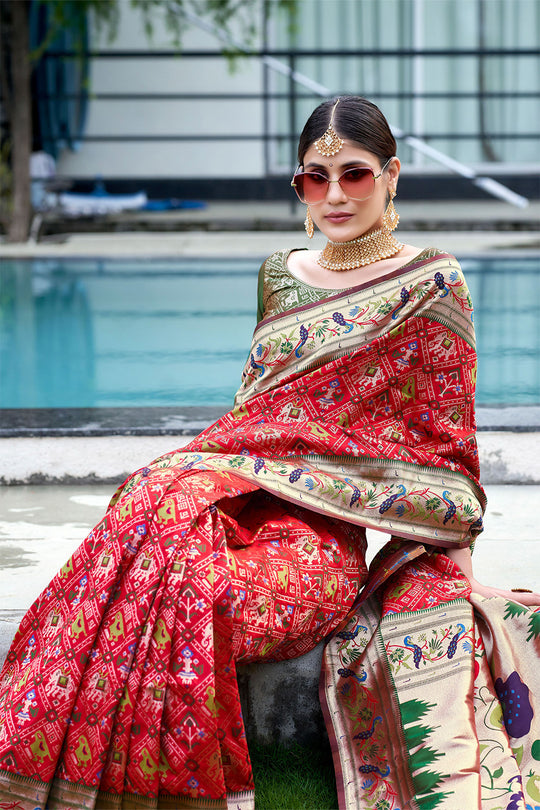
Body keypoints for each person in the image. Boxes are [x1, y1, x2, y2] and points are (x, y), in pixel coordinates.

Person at [0, 96, 538, 810]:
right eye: (316, 178)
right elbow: (255, 418)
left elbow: (447, 448)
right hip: (244, 501)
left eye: (354, 174)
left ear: (392, 176)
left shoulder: (431, 283)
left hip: (319, 541)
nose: (335, 195)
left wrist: (458, 575)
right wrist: (198, 479)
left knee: (187, 583)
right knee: (158, 502)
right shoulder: (279, 274)